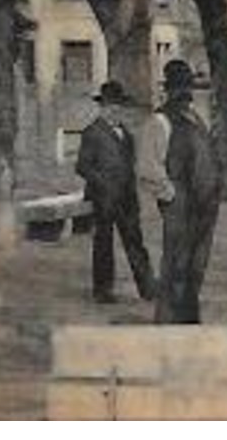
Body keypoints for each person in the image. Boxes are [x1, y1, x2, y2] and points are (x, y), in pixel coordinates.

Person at [138, 59, 221, 324]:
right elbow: (147, 166)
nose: (185, 94)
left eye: (188, 88)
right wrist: (169, 195)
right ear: (170, 90)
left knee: (197, 264)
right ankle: (168, 321)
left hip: (205, 204)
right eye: (180, 88)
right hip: (180, 203)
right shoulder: (159, 120)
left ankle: (188, 318)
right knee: (177, 263)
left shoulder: (196, 118)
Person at [76, 80, 154, 304]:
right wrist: (102, 183)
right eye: (111, 107)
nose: (116, 111)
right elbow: (82, 166)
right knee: (104, 243)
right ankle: (103, 290)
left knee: (135, 242)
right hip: (103, 199)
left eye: (119, 107)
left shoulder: (127, 135)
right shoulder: (92, 132)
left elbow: (130, 165)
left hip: (127, 198)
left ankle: (148, 287)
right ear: (102, 108)